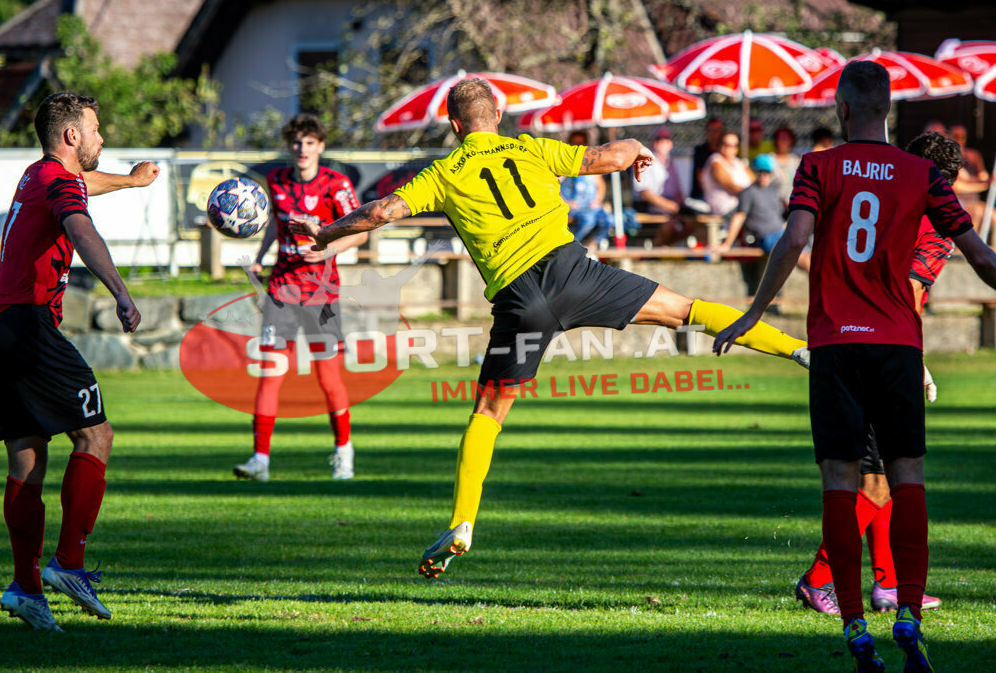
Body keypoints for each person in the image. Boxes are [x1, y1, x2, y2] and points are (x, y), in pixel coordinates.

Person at [288, 78, 811, 581]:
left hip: (520, 302)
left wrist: (325, 233)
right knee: (688, 311)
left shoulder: (442, 174)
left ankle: (462, 522)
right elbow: (607, 156)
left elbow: (381, 211)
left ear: (454, 126)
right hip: (575, 274)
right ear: (498, 115)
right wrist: (636, 148)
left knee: (488, 414)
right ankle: (798, 351)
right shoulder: (531, 149)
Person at [713, 61, 996, 672]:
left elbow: (793, 240)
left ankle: (854, 624)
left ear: (841, 108)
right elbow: (979, 256)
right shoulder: (923, 174)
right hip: (898, 345)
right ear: (888, 109)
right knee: (907, 475)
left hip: (836, 346)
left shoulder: (817, 167)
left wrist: (753, 312)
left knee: (841, 482)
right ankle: (908, 612)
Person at [0, 92, 159, 630]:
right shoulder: (59, 182)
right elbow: (81, 227)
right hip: (27, 324)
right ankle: (69, 564)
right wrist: (121, 292)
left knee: (26, 458)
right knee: (96, 436)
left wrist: (130, 182)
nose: (102, 137)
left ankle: (26, 589)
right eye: (96, 129)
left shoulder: (40, 175)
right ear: (72, 135)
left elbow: (83, 185)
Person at [794, 131, 961, 618]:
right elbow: (910, 290)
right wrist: (916, 358)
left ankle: (889, 583)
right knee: (878, 482)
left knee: (877, 475)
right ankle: (818, 578)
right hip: (886, 351)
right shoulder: (934, 223)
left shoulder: (880, 201)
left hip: (842, 341)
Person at [232, 113, 367, 482]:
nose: (302, 148)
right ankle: (260, 460)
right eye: (296, 142)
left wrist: (327, 251)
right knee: (271, 374)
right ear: (289, 146)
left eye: (309, 142)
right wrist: (260, 257)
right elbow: (273, 227)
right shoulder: (276, 181)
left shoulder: (336, 184)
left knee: (328, 379)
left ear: (320, 146)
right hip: (282, 291)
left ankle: (344, 453)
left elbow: (360, 232)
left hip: (323, 294)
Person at [715, 154, 785, 254]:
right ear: (755, 171)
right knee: (798, 256)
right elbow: (739, 217)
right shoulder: (748, 192)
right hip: (765, 237)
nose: (763, 175)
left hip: (781, 233)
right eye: (760, 172)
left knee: (803, 252)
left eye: (767, 172)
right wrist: (727, 244)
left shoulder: (774, 190)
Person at [632, 126, 689, 245]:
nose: (662, 142)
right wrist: (670, 206)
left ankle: (663, 248)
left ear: (671, 143)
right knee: (670, 226)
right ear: (653, 142)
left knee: (693, 224)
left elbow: (678, 191)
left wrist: (679, 207)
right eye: (659, 139)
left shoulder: (671, 163)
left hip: (670, 209)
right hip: (651, 208)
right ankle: (656, 249)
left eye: (666, 138)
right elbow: (645, 193)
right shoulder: (646, 161)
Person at [560, 130, 612, 249]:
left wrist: (598, 200)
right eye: (575, 143)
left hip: (591, 206)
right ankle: (570, 247)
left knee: (609, 220)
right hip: (575, 208)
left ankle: (592, 245)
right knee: (588, 221)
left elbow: (601, 185)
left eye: (582, 143)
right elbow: (553, 185)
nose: (579, 146)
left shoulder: (590, 164)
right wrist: (565, 202)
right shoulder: (564, 164)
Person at [948, 124, 990, 233]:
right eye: (956, 136)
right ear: (950, 137)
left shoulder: (973, 155)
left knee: (992, 215)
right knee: (976, 212)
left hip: (974, 199)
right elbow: (957, 186)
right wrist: (981, 183)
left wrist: (986, 181)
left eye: (963, 137)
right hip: (958, 201)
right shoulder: (948, 157)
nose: (960, 140)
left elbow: (984, 177)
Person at [703, 131, 753, 217]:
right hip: (726, 209)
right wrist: (751, 196)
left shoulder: (739, 163)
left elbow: (754, 181)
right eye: (726, 144)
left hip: (745, 205)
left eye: (733, 145)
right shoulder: (715, 161)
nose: (729, 148)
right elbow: (729, 185)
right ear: (719, 145)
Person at [690, 117, 724, 202]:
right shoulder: (700, 151)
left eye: (718, 130)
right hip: (702, 197)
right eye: (712, 130)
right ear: (707, 132)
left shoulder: (724, 153)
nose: (715, 133)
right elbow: (701, 179)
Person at [770, 126, 800, 205]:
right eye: (780, 138)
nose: (783, 141)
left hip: (793, 204)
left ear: (791, 141)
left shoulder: (796, 161)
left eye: (786, 138)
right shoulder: (768, 160)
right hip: (774, 205)